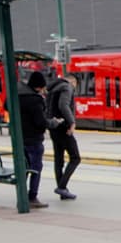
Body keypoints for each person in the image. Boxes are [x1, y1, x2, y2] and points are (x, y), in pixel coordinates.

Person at [18, 72, 55, 208]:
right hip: (33, 139)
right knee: (36, 168)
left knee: (24, 167)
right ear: (39, 87)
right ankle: (32, 197)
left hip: (20, 138)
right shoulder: (35, 100)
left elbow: (6, 106)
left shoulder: (18, 95)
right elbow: (40, 122)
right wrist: (53, 123)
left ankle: (21, 195)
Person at [46, 72, 81, 200]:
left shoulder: (52, 89)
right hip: (63, 128)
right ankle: (61, 187)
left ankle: (62, 191)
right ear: (73, 81)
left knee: (59, 160)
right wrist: (72, 122)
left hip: (53, 127)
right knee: (75, 158)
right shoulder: (67, 87)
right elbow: (63, 105)